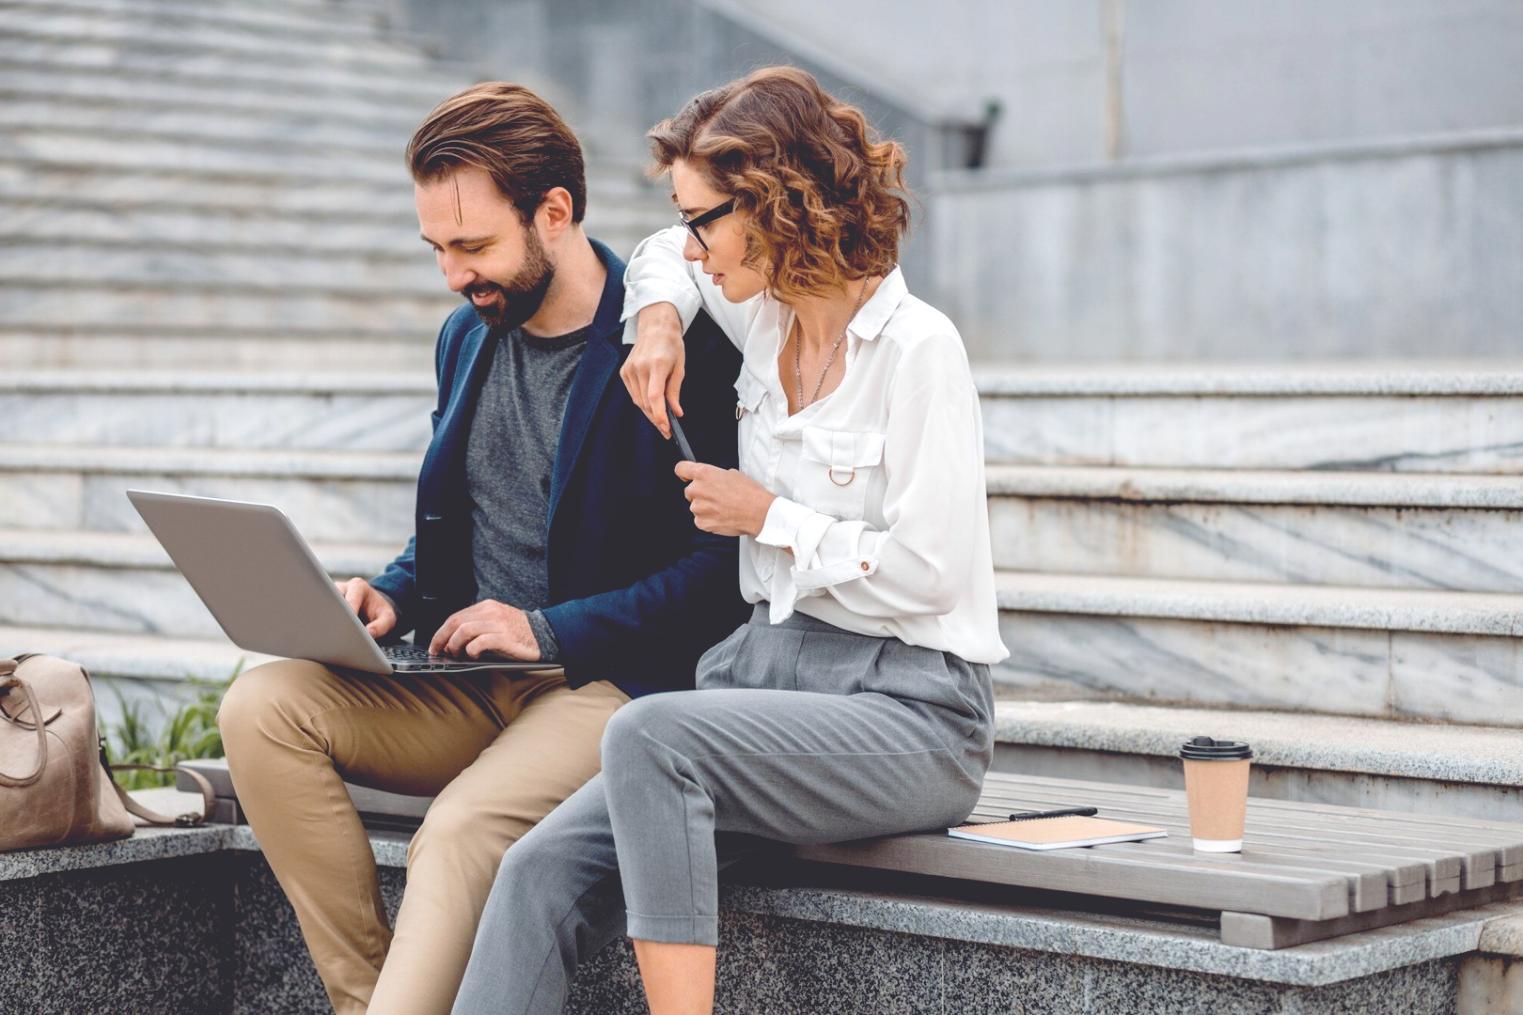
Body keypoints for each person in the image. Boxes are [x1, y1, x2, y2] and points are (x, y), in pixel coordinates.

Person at [451, 66, 1008, 1015]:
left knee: (650, 731)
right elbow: (660, 253)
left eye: (706, 220)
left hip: (911, 715)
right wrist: (657, 323)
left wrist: (768, 518)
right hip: (768, 685)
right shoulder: (761, 314)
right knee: (536, 866)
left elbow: (932, 574)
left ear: (774, 204)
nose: (695, 246)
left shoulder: (919, 350)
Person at [214, 82, 746, 1015]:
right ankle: (368, 998)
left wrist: (546, 627)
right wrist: (390, 594)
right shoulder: (467, 336)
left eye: (473, 246)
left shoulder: (678, 344)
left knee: (458, 830)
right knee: (261, 706)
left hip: (608, 684)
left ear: (555, 212)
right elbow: (465, 522)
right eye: (437, 249)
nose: (454, 274)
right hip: (467, 678)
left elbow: (725, 574)